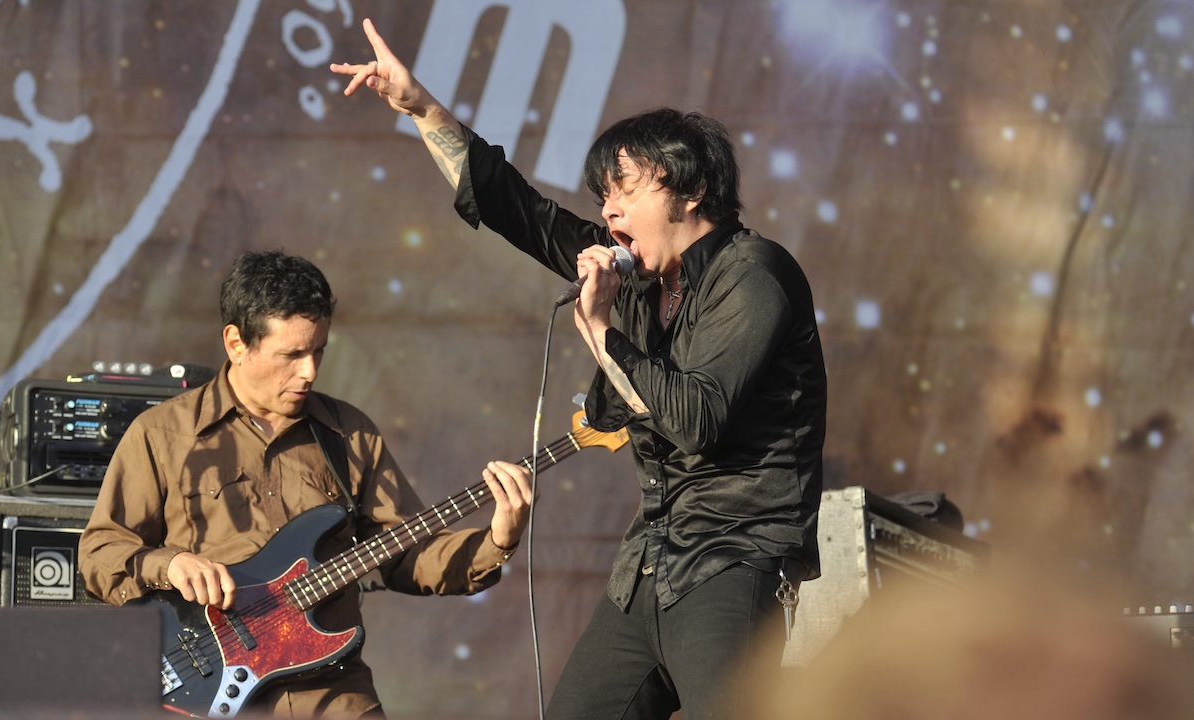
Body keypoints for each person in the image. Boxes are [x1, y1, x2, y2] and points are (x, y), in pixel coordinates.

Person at [331, 19, 827, 720]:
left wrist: (597, 329)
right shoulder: (644, 280)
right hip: (651, 562)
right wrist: (420, 108)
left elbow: (696, 419)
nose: (609, 209)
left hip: (734, 564)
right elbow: (520, 211)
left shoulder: (756, 274)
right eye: (602, 196)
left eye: (624, 188)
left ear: (690, 192)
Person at [78, 250, 534, 719]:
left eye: (318, 351)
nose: (310, 372)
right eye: (291, 355)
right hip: (208, 691)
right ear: (236, 343)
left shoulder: (348, 433)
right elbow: (99, 553)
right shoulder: (163, 434)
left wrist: (499, 539)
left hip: (332, 694)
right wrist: (169, 564)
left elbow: (408, 556)